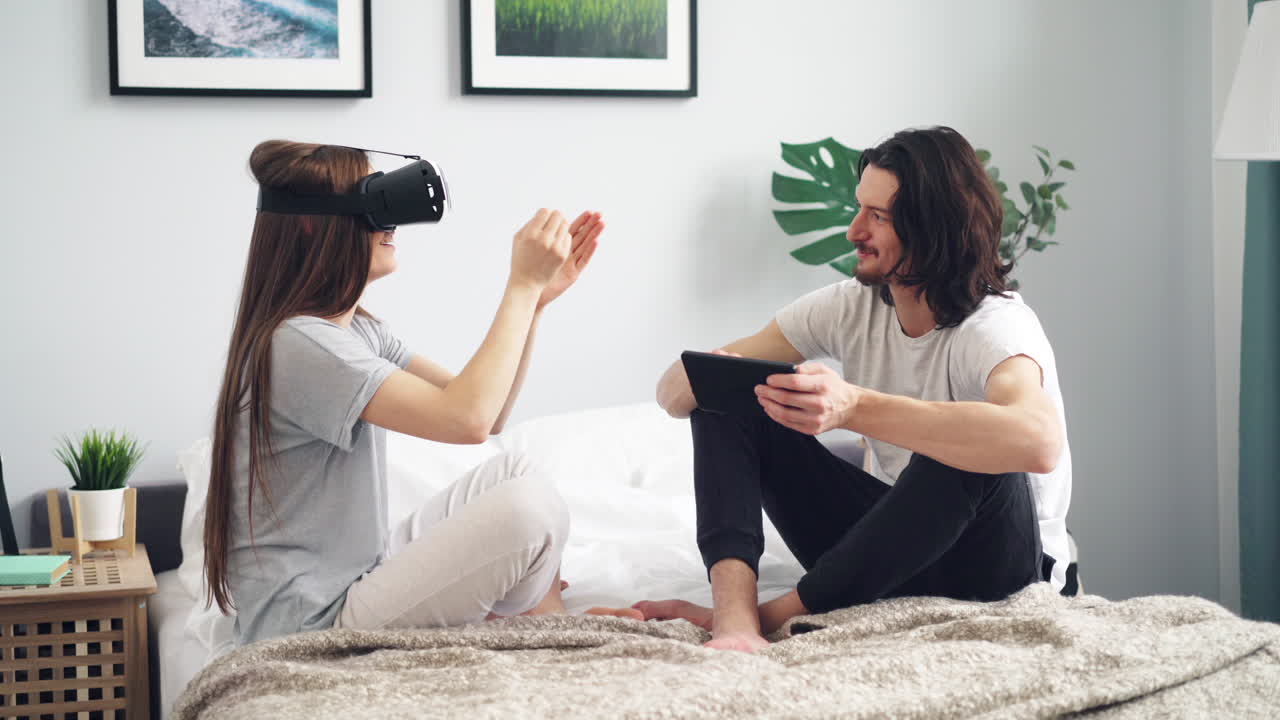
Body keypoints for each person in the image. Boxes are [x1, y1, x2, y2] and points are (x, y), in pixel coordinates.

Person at [634, 126, 1072, 652]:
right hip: (887, 559)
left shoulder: (995, 327)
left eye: (878, 217)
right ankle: (734, 621)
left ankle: (773, 615)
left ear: (934, 228)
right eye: (859, 209)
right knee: (729, 391)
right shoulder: (849, 306)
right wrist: (708, 382)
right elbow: (678, 385)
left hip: (997, 569)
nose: (853, 231)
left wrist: (854, 407)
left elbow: (1039, 443)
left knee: (964, 444)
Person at [202, 140, 610, 646]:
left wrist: (536, 302)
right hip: (311, 622)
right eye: (374, 202)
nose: (390, 223)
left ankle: (542, 619)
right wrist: (520, 286)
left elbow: (492, 413)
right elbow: (467, 421)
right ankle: (538, 624)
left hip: (357, 580)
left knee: (517, 472)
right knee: (528, 508)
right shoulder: (297, 342)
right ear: (311, 224)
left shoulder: (358, 331)